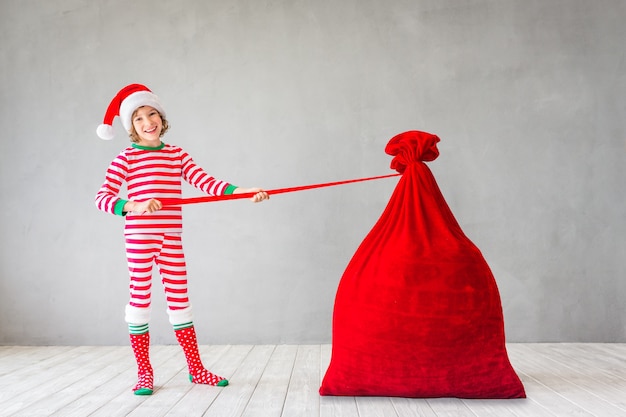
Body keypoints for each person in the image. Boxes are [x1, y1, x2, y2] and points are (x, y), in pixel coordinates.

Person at [94, 84, 269, 395]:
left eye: (152, 114)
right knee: (140, 303)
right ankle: (145, 372)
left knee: (180, 303)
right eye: (138, 119)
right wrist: (134, 205)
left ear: (161, 117)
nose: (148, 122)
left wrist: (243, 192)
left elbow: (206, 181)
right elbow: (103, 198)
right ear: (130, 127)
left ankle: (196, 369)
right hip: (139, 238)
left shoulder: (176, 155)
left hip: (170, 238)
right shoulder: (126, 158)